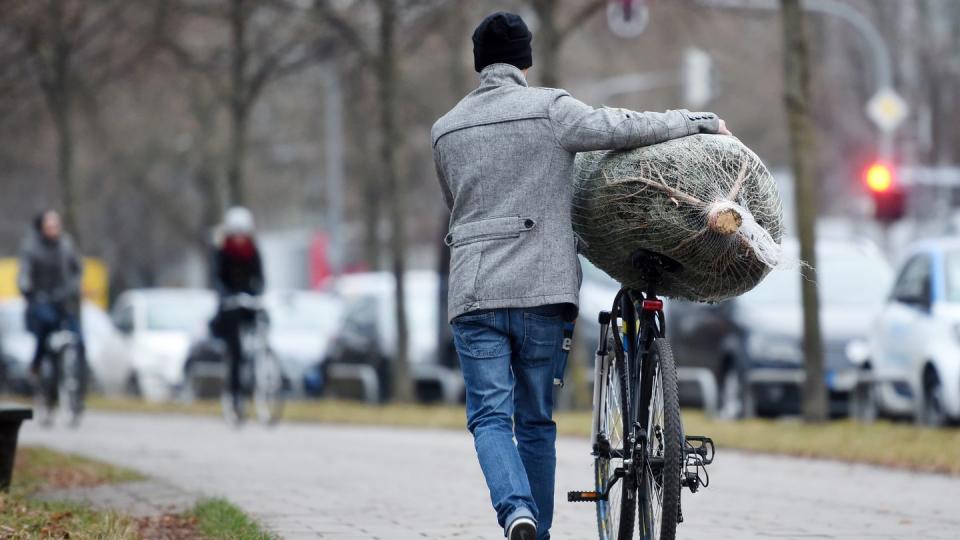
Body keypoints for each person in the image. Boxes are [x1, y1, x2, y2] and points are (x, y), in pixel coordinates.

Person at [431, 12, 731, 540]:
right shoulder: (551, 110)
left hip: (475, 294)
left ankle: (516, 514)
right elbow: (626, 127)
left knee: (489, 418)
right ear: (526, 59)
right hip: (542, 290)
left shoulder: (445, 130)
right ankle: (536, 530)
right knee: (536, 422)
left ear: (478, 61)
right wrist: (696, 121)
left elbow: (458, 205)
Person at [17, 210, 85, 390]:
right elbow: (24, 273)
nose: (53, 229)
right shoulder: (31, 248)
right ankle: (37, 365)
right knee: (46, 327)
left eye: (56, 225)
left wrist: (72, 288)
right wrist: (28, 289)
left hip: (63, 300)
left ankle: (79, 382)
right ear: (41, 228)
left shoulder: (66, 245)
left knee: (78, 339)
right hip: (41, 300)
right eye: (49, 226)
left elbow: (77, 269)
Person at [209, 207, 265, 416]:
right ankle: (235, 395)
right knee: (236, 351)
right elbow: (217, 278)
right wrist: (225, 296)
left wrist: (258, 293)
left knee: (263, 325)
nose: (241, 237)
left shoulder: (253, 250)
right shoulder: (222, 252)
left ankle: (261, 375)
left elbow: (260, 277)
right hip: (230, 305)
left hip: (249, 301)